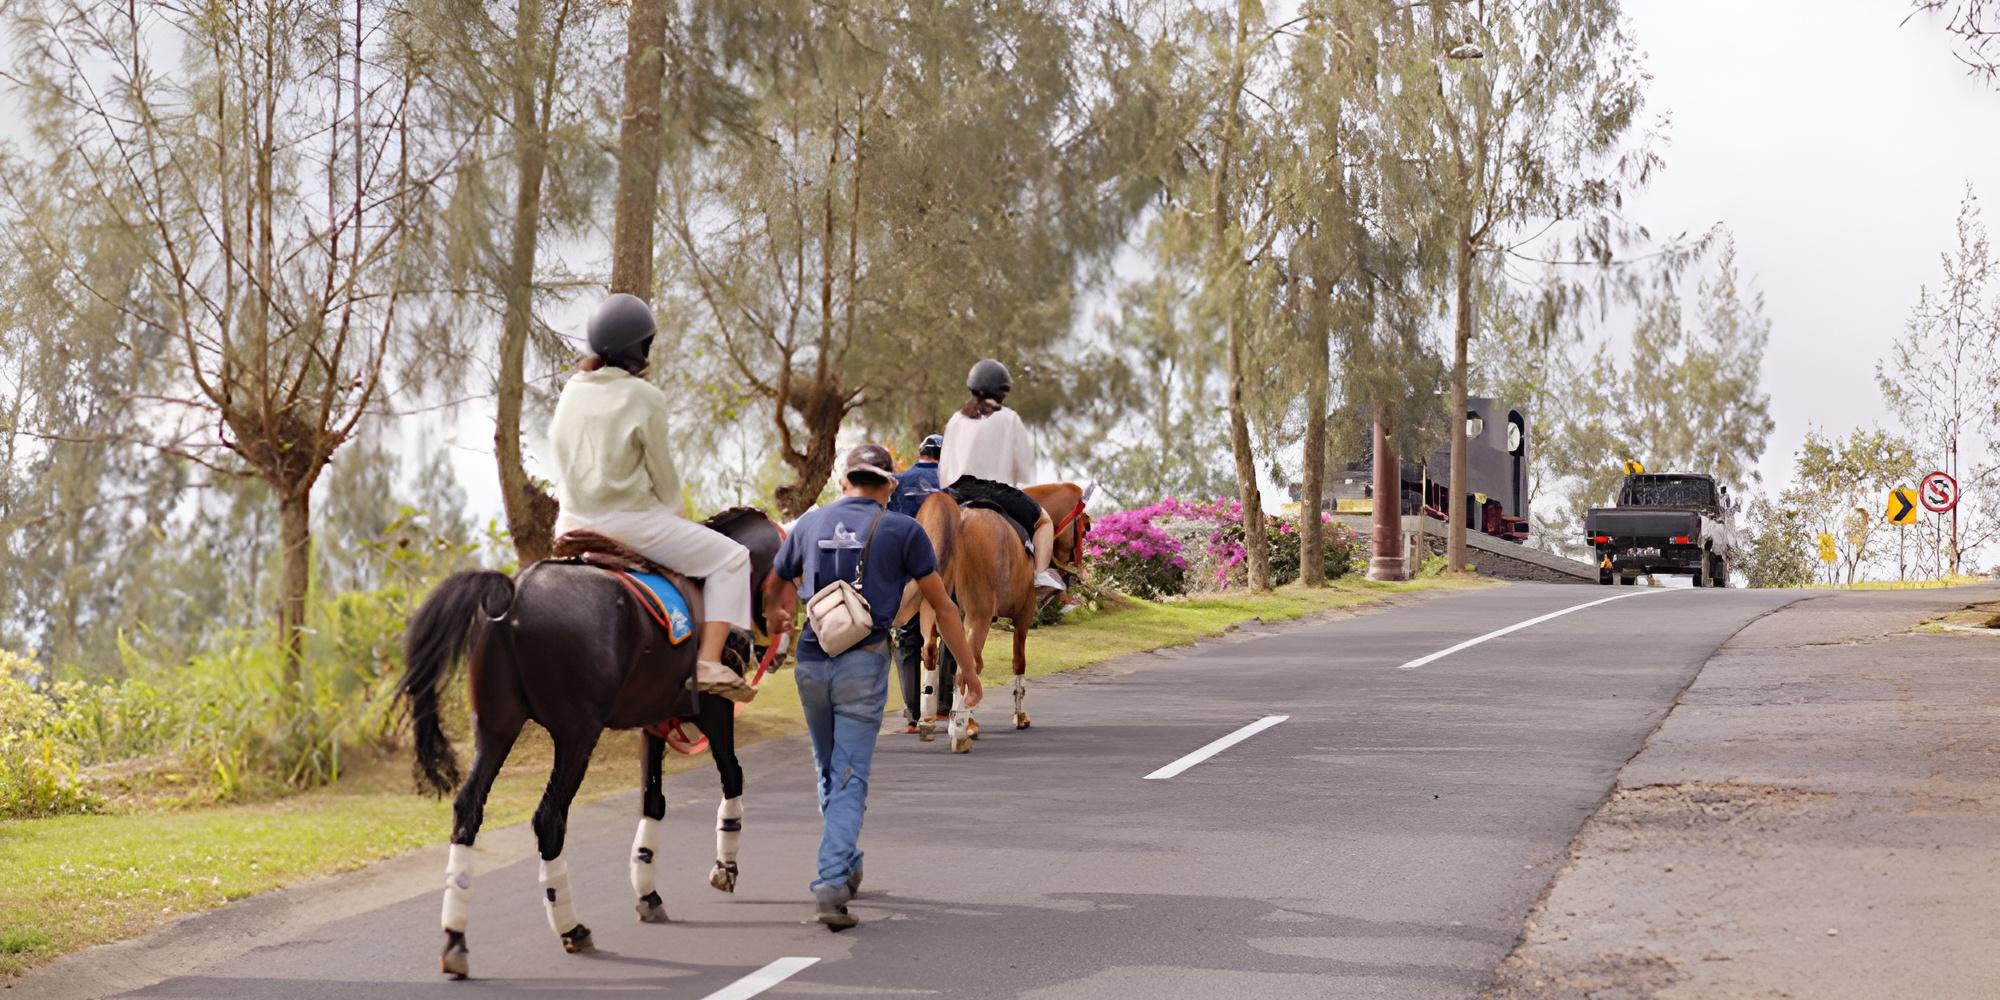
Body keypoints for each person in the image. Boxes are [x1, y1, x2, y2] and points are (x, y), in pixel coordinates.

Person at [764, 444, 983, 929]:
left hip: (810, 660)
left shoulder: (810, 524)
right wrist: (967, 670)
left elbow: (776, 582)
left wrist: (779, 621)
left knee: (828, 767)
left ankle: (845, 860)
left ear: (844, 481)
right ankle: (829, 879)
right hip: (861, 663)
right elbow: (943, 608)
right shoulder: (904, 529)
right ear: (889, 485)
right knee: (849, 775)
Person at [547, 293, 756, 702]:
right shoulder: (645, 397)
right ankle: (709, 662)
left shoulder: (571, 391)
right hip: (630, 523)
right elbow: (664, 482)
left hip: (570, 524)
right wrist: (679, 513)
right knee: (733, 558)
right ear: (641, 348)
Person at [938, 359, 1065, 593]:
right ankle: (1040, 575)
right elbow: (1023, 469)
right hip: (991, 489)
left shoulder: (956, 418)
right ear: (1002, 390)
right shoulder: (1008, 418)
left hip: (955, 490)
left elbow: (944, 466)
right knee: (1044, 521)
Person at [890, 436, 950, 731]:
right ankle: (943, 708)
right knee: (952, 633)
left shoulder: (897, 482)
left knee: (906, 636)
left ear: (921, 455)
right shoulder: (952, 482)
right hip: (945, 570)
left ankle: (913, 715)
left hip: (906, 569)